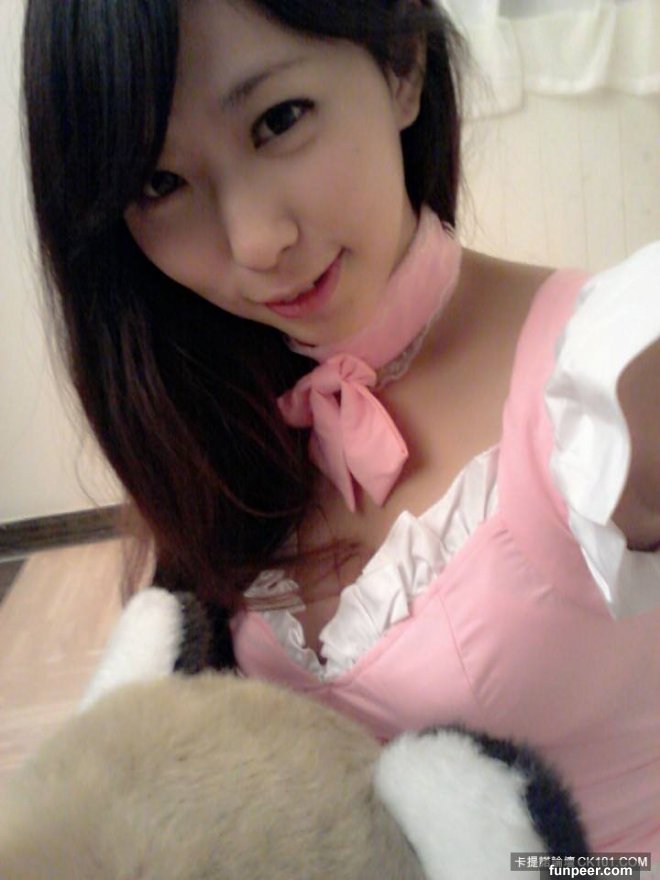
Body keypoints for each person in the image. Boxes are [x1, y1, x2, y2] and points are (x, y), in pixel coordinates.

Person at [22, 0, 659, 864]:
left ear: (401, 66)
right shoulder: (220, 418)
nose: (255, 242)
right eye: (161, 185)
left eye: (279, 120)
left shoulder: (612, 378)